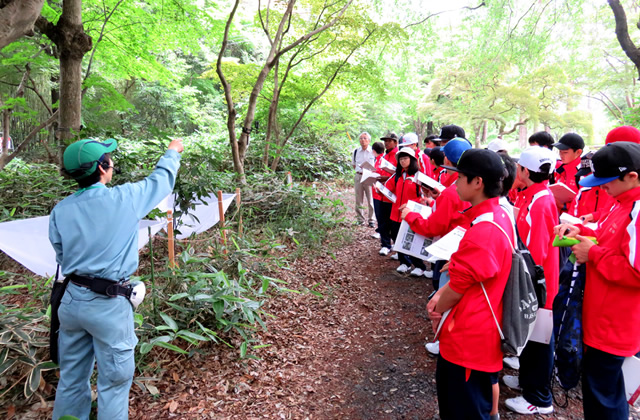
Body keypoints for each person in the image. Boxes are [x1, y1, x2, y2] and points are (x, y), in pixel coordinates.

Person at [49, 138, 184, 420]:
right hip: (108, 304)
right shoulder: (125, 198)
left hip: (71, 302)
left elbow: (61, 255)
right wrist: (172, 152)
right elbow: (160, 181)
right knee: (113, 383)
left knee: (71, 381)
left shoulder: (60, 210)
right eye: (109, 159)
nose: (112, 163)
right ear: (102, 167)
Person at [554, 141, 640, 420]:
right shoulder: (621, 203)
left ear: (632, 177)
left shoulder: (637, 210)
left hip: (615, 322)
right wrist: (577, 229)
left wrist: (594, 254)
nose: (602, 189)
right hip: (601, 316)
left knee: (602, 394)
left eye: (606, 183)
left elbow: (636, 272)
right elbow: (603, 234)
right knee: (605, 389)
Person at [427, 148, 513, 420]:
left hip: (469, 339)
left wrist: (437, 305)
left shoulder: (484, 230)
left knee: (463, 408)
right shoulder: (498, 215)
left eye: (460, 177)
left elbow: (458, 288)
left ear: (478, 182)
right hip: (482, 330)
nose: (455, 183)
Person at [503, 147, 559, 416]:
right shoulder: (534, 195)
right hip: (535, 282)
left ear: (524, 170)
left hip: (537, 286)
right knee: (529, 335)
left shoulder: (541, 201)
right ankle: (527, 381)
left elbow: (535, 253)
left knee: (538, 341)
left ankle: (539, 397)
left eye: (518, 167)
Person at [384, 148, 426, 275]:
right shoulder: (398, 175)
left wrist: (410, 203)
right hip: (395, 213)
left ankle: (419, 266)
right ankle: (404, 263)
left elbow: (424, 197)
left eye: (405, 158)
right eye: (401, 159)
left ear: (412, 160)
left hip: (410, 213)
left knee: (411, 240)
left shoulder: (418, 176)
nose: (402, 161)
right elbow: (389, 187)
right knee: (397, 238)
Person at [376, 133, 399, 256]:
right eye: (385, 141)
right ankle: (385, 244)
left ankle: (396, 245)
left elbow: (399, 175)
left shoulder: (398, 155)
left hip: (393, 194)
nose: (386, 143)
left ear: (395, 142)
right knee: (382, 219)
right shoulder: (385, 155)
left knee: (393, 221)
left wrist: (386, 178)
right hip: (382, 192)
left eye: (389, 141)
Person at [351, 132, 376, 226]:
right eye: (361, 138)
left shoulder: (373, 152)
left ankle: (371, 220)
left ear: (369, 141)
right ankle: (360, 219)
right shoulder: (356, 151)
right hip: (358, 175)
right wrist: (359, 172)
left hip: (369, 176)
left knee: (370, 199)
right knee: (358, 198)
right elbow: (354, 164)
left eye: (365, 138)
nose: (362, 140)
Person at [371, 141, 386, 240]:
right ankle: (380, 230)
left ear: (373, 151)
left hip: (379, 192)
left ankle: (381, 232)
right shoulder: (378, 159)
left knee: (380, 214)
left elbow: (381, 175)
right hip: (376, 191)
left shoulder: (382, 160)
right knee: (379, 213)